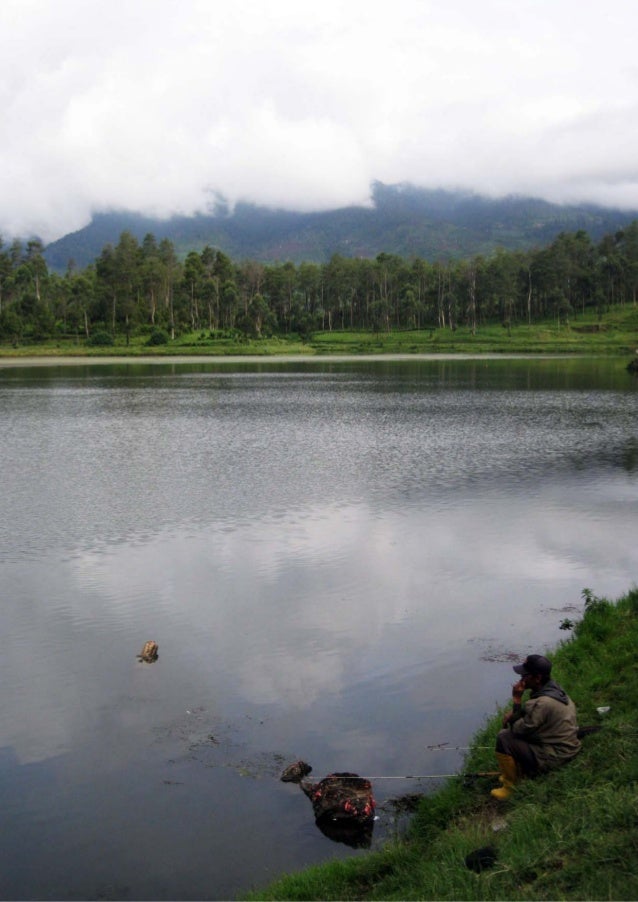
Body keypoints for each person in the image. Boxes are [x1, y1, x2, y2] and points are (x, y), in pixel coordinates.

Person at [491, 654, 581, 801]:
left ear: (537, 678)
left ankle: (510, 788)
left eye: (525, 675)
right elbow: (533, 718)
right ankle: (515, 772)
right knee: (510, 736)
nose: (521, 679)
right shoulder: (554, 689)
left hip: (557, 755)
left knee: (504, 737)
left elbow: (518, 730)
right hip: (568, 746)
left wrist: (516, 700)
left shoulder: (542, 703)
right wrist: (517, 712)